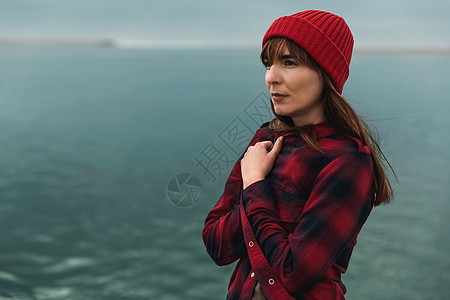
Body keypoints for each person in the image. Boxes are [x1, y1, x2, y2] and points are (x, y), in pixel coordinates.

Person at [202, 10, 394, 299]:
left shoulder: (349, 161)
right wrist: (261, 196)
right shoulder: (265, 139)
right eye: (268, 64)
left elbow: (291, 274)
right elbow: (217, 244)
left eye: (289, 63)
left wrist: (255, 185)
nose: (271, 77)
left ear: (325, 74)